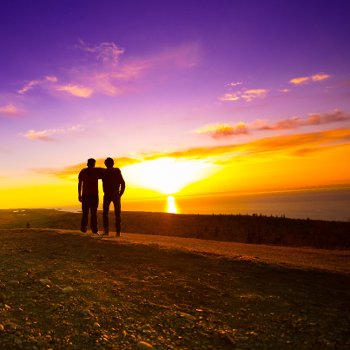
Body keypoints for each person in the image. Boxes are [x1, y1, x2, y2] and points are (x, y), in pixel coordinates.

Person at [102, 157, 125, 236]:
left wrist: (120, 194)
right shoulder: (114, 171)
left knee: (107, 213)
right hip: (114, 194)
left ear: (106, 164)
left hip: (110, 194)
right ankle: (117, 232)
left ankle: (108, 231)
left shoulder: (106, 172)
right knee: (116, 213)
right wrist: (120, 194)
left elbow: (123, 183)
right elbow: (123, 183)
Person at [78, 158, 102, 234]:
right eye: (92, 163)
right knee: (91, 213)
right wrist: (79, 194)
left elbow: (79, 184)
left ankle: (88, 229)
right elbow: (80, 184)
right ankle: (92, 229)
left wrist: (79, 194)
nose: (92, 165)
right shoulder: (94, 171)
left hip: (89, 195)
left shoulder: (88, 171)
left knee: (89, 213)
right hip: (90, 195)